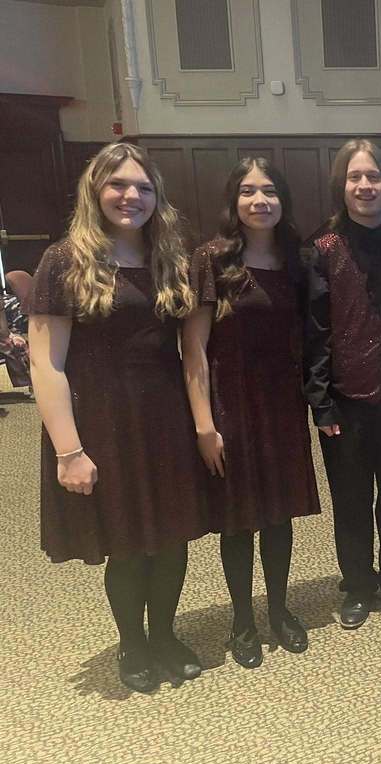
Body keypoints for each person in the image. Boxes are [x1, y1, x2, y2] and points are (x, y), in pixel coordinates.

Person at [26, 143, 209, 692]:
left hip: (164, 417)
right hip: (101, 423)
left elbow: (192, 348)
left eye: (144, 187)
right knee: (127, 544)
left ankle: (166, 636)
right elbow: (45, 364)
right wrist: (69, 451)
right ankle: (134, 642)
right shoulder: (64, 260)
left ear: (158, 196)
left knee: (171, 538)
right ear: (95, 190)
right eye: (118, 185)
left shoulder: (170, 258)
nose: (131, 196)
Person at [182, 157, 320, 669]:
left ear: (283, 201)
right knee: (238, 520)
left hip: (283, 403)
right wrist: (203, 424)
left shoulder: (295, 260)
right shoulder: (210, 260)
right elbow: (193, 348)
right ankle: (242, 619)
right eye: (247, 191)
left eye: (269, 191)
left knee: (279, 514)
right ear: (233, 202)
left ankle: (280, 610)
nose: (259, 200)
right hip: (229, 403)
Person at [303, 140, 381, 630]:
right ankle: (356, 583)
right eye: (354, 177)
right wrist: (321, 404)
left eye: (372, 176)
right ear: (342, 186)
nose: (364, 185)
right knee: (350, 498)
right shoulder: (322, 248)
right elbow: (314, 331)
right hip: (344, 401)